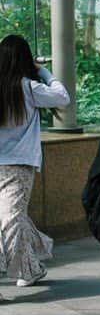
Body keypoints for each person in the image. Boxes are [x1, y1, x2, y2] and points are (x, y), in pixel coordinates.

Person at [0, 34, 70, 296]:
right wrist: (45, 72)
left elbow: (62, 99)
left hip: (18, 166)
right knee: (11, 217)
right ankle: (31, 266)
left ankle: (23, 265)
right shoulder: (29, 87)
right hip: (16, 164)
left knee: (9, 218)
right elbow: (63, 96)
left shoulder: (27, 88)